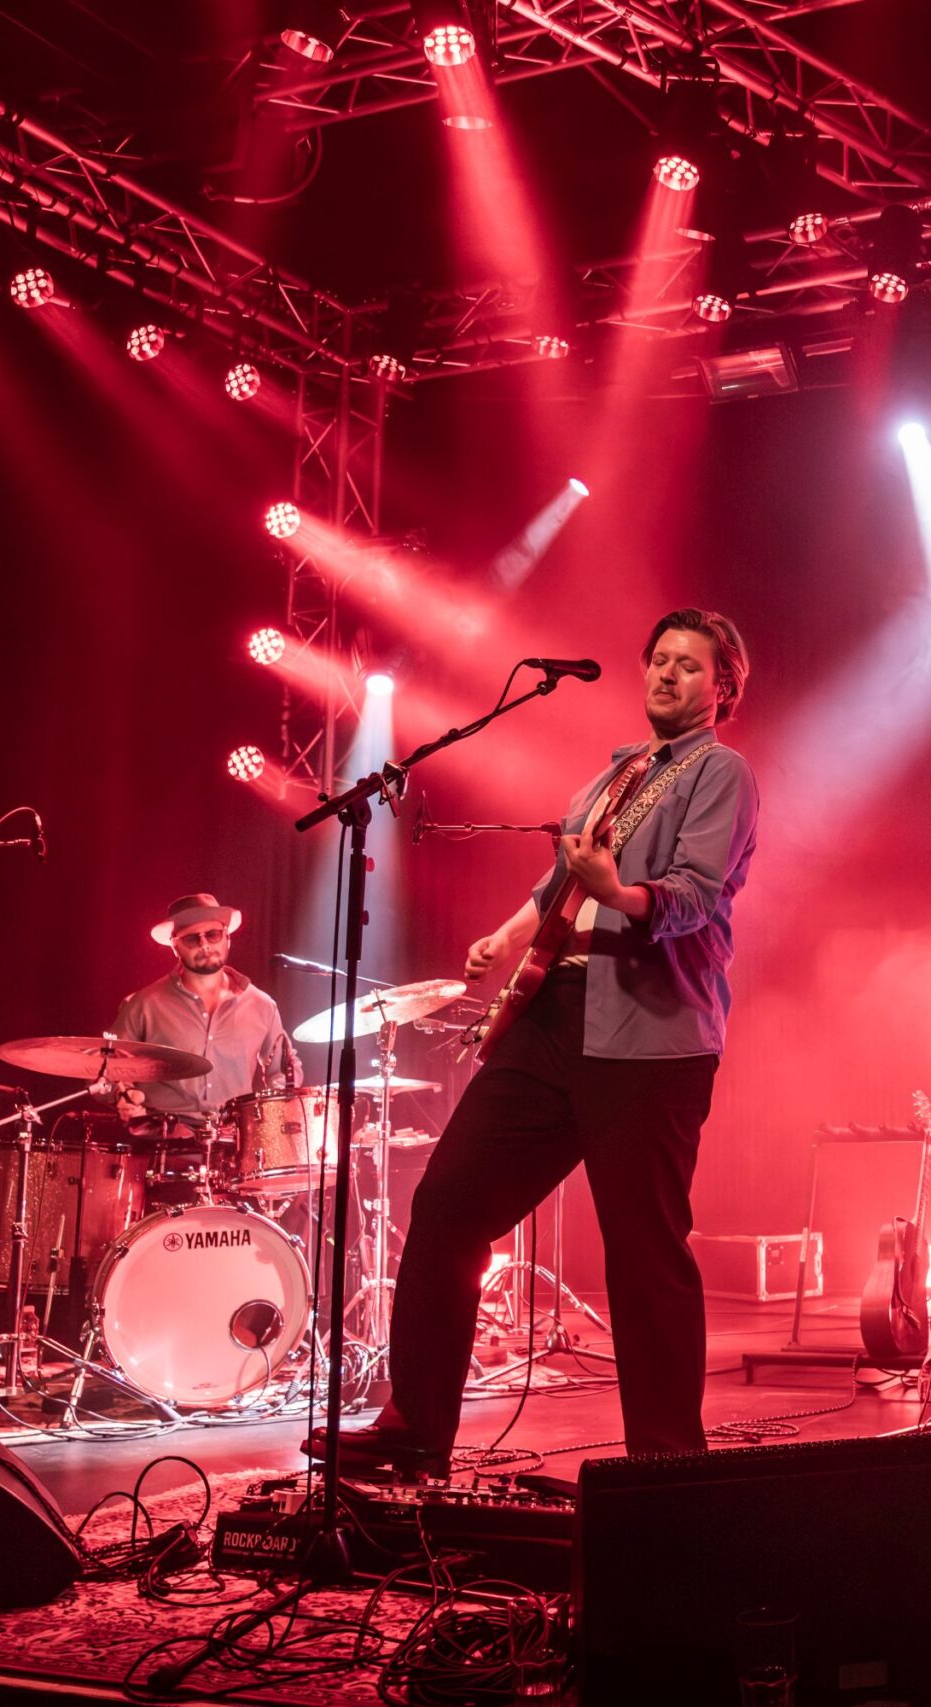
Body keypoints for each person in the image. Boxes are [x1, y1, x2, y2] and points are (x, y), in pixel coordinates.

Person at [321, 609, 759, 1477]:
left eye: (688, 664)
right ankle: (415, 1430)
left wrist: (619, 891)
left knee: (644, 1252)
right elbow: (561, 881)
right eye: (659, 658)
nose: (666, 673)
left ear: (723, 688)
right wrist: (508, 935)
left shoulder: (722, 772)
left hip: (652, 1039)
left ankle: (668, 1467)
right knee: (449, 1203)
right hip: (556, 1018)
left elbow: (694, 895)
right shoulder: (614, 775)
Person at [111, 893, 301, 1134]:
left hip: (236, 1139)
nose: (204, 945)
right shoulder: (143, 1004)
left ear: (227, 938)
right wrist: (123, 1095)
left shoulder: (262, 1005)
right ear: (175, 946)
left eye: (213, 934)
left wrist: (270, 1116)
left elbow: (284, 1072)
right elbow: (107, 1067)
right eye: (192, 938)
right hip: (162, 1138)